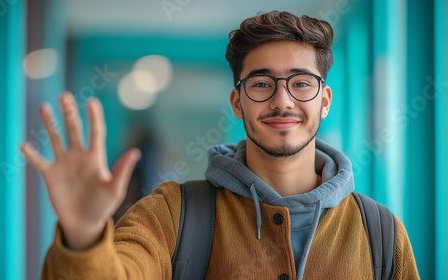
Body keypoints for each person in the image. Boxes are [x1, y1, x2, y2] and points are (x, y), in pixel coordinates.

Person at [21, 10, 419, 280]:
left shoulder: (381, 232)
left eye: (301, 83)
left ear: (325, 101)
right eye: (262, 84)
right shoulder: (173, 214)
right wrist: (85, 234)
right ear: (237, 102)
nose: (282, 100)